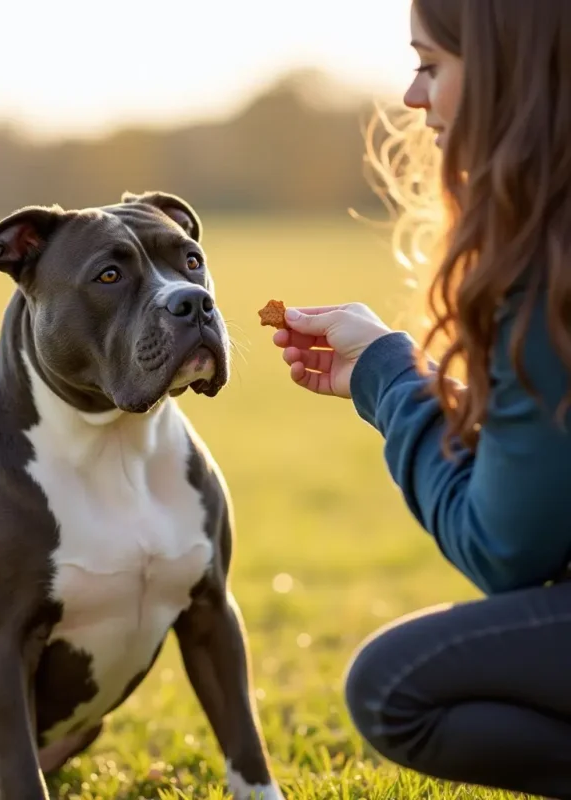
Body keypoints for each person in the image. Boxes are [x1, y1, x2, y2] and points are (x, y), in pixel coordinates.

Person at [271, 1, 571, 798]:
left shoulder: (551, 252)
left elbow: (506, 547)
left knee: (396, 683)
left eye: (431, 65)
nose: (411, 96)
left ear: (514, 70)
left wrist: (388, 380)